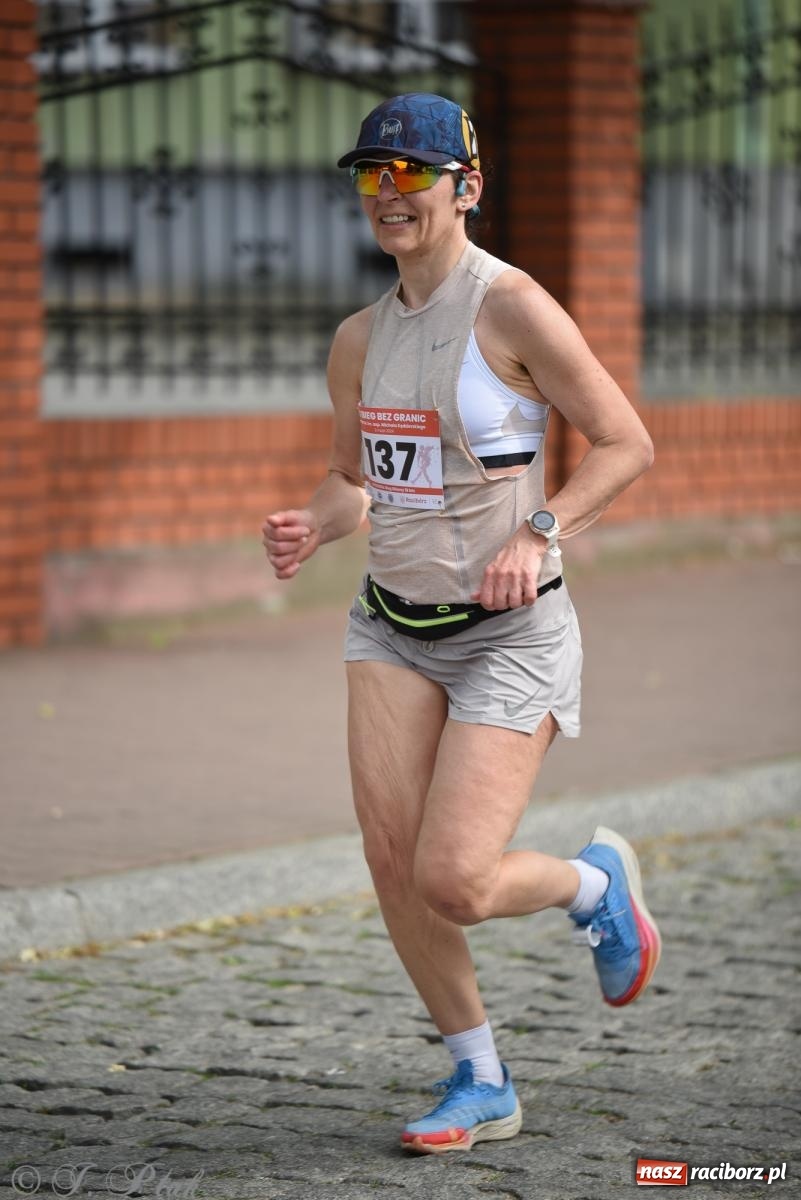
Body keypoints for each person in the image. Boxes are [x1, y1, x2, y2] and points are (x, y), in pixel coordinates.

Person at [263, 93, 660, 1155]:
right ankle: (478, 1076)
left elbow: (625, 444)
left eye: (412, 173)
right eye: (371, 174)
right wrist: (315, 521)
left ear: (466, 187)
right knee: (394, 860)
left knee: (454, 877)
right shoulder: (358, 340)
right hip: (390, 624)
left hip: (512, 631)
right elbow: (361, 482)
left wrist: (540, 528)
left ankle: (594, 883)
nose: (389, 193)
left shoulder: (515, 307)